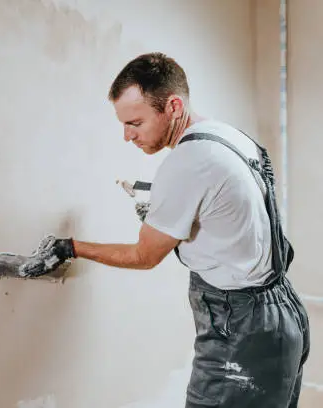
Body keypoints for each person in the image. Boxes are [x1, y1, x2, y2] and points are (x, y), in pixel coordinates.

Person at [34, 52, 311, 407]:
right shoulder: (226, 136)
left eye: (135, 122)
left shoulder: (188, 162)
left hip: (242, 328)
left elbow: (143, 256)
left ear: (174, 106)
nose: (127, 135)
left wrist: (70, 247)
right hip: (282, 314)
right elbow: (228, 207)